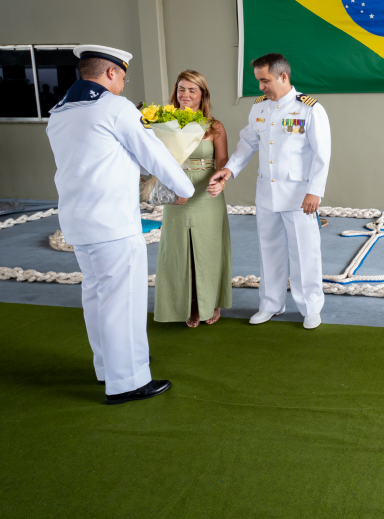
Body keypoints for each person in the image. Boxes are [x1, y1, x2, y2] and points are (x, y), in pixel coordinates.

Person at [46, 45, 195, 405]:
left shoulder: (60, 111)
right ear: (110, 73)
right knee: (122, 302)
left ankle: (107, 369)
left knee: (96, 297)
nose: (124, 86)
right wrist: (184, 188)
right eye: (123, 77)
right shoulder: (113, 107)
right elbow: (152, 152)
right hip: (112, 222)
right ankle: (127, 381)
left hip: (78, 221)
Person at [207, 53, 330, 329]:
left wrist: (315, 192)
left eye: (265, 81)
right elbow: (248, 143)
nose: (261, 87)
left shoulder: (309, 109)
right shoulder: (260, 109)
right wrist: (230, 169)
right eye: (259, 81)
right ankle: (271, 304)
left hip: (299, 196)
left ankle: (311, 307)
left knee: (304, 251)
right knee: (269, 250)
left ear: (283, 77)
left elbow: (323, 154)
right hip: (266, 193)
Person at [153, 70, 232, 328]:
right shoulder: (164, 123)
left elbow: (222, 163)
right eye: (181, 89)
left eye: (191, 90)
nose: (185, 95)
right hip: (178, 194)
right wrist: (173, 188)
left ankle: (210, 302)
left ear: (202, 95)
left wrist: (220, 183)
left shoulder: (215, 126)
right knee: (178, 250)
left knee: (208, 250)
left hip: (206, 195)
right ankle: (187, 304)